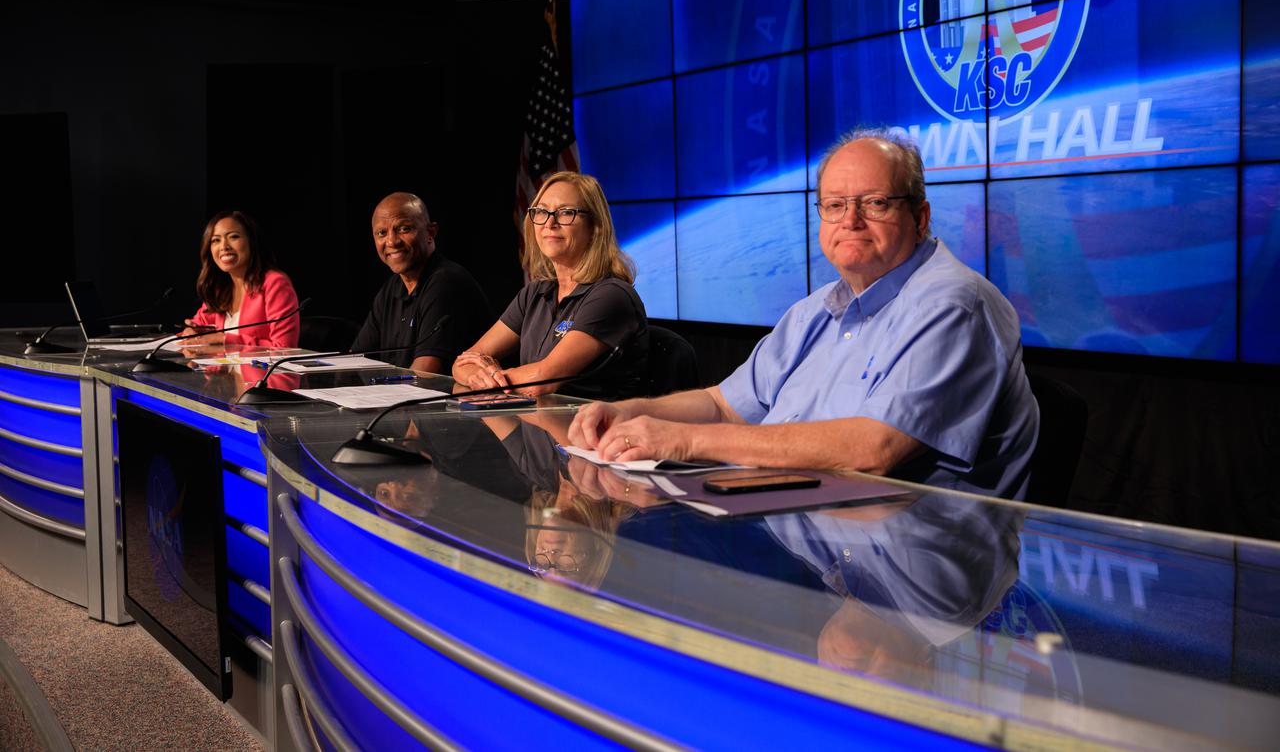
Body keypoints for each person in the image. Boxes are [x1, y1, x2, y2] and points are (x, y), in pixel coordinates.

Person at [569, 129, 1039, 499]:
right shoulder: (815, 311)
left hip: (917, 583)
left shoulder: (952, 304)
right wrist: (628, 412)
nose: (850, 220)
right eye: (835, 206)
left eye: (874, 203)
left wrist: (682, 441)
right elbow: (723, 405)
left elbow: (871, 450)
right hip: (815, 538)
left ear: (920, 217)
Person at [452, 171, 648, 399]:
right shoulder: (535, 292)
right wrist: (477, 375)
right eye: (542, 212)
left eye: (566, 213)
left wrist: (490, 375)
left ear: (595, 228)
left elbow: (543, 380)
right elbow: (462, 363)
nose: (550, 223)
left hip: (593, 429)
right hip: (537, 425)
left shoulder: (612, 296)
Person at [349, 192, 492, 374]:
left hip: (451, 400)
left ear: (430, 232)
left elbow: (425, 375)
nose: (392, 241)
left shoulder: (446, 282)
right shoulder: (392, 288)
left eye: (404, 229)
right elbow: (355, 360)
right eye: (381, 233)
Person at [181, 210, 300, 348]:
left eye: (233, 237)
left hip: (264, 370)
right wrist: (191, 332)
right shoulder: (220, 289)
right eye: (216, 240)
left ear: (251, 241)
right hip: (222, 369)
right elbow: (198, 324)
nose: (224, 246)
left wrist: (225, 340)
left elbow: (285, 348)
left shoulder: (274, 283)